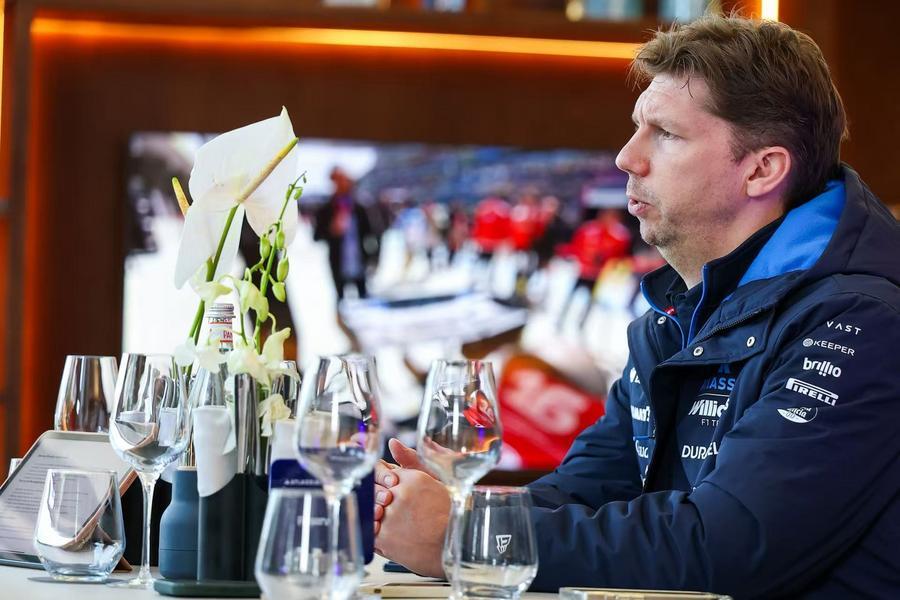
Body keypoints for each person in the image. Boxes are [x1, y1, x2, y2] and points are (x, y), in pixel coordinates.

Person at [372, 14, 900, 598]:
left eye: (665, 134)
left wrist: (468, 537)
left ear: (762, 169)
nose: (627, 157)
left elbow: (727, 546)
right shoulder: (672, 321)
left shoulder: (865, 324)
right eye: (636, 128)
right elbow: (583, 490)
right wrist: (451, 513)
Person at [313, 167, 375, 301]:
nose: (342, 184)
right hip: (338, 262)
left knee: (363, 297)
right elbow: (316, 236)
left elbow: (371, 233)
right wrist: (331, 230)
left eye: (344, 180)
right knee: (341, 298)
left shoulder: (359, 208)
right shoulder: (326, 209)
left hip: (359, 261)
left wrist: (372, 256)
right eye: (338, 181)